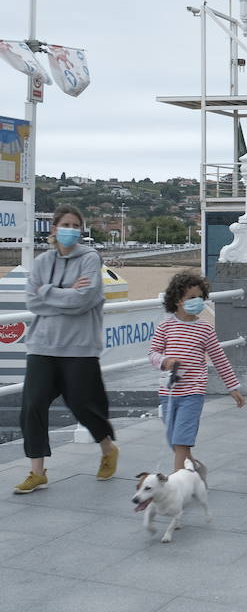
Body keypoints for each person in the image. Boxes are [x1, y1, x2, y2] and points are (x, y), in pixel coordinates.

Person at [14, 205, 119, 495]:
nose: (71, 229)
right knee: (32, 406)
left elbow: (83, 301)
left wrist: (47, 291)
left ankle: (108, 449)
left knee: (84, 405)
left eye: (76, 224)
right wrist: (64, 292)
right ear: (54, 229)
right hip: (42, 345)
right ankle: (37, 471)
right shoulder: (42, 261)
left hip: (79, 347)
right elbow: (31, 302)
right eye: (65, 224)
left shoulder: (89, 259)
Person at [149, 271, 247, 472]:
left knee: (182, 439)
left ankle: (177, 483)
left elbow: (219, 358)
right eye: (191, 298)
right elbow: (152, 353)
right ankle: (192, 466)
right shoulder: (165, 326)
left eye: (201, 297)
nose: (198, 301)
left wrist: (233, 387)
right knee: (173, 439)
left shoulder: (205, 329)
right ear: (177, 300)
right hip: (168, 393)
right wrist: (165, 360)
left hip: (192, 393)